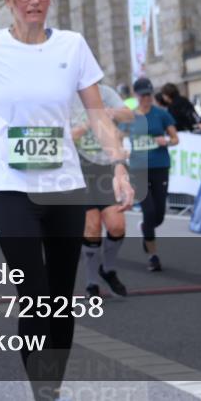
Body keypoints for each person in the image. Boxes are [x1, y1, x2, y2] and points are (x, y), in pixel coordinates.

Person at [0, 0, 134, 401]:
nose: (34, 1)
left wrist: (120, 166)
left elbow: (97, 113)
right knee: (33, 291)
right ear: (9, 0)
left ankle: (50, 385)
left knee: (58, 297)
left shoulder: (72, 46)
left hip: (65, 188)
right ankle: (43, 390)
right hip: (11, 188)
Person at [71, 83, 135, 298]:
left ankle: (107, 269)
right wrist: (89, 123)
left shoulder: (104, 92)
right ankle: (91, 282)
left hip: (107, 166)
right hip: (80, 168)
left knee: (117, 226)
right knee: (92, 227)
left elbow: (129, 115)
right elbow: (63, 137)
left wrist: (110, 112)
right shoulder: (64, 95)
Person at [126, 77, 177, 272]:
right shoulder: (129, 117)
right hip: (138, 169)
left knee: (158, 216)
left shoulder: (161, 115)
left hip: (160, 166)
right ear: (136, 96)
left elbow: (175, 138)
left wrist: (166, 140)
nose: (147, 98)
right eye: (143, 95)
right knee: (148, 211)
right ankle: (153, 256)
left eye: (149, 94)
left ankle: (146, 228)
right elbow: (115, 136)